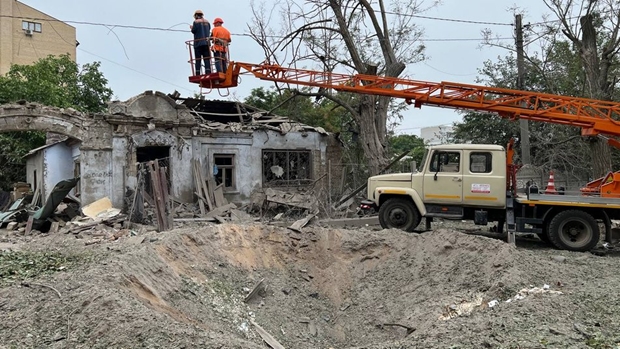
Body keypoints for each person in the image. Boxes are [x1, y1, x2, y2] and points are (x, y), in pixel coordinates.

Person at [190, 10, 211, 75]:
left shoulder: (196, 22)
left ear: (196, 15)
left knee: (198, 59)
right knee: (207, 58)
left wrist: (191, 28)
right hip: (206, 43)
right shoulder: (207, 22)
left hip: (198, 43)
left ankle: (197, 73)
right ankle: (208, 71)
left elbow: (194, 31)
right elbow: (209, 30)